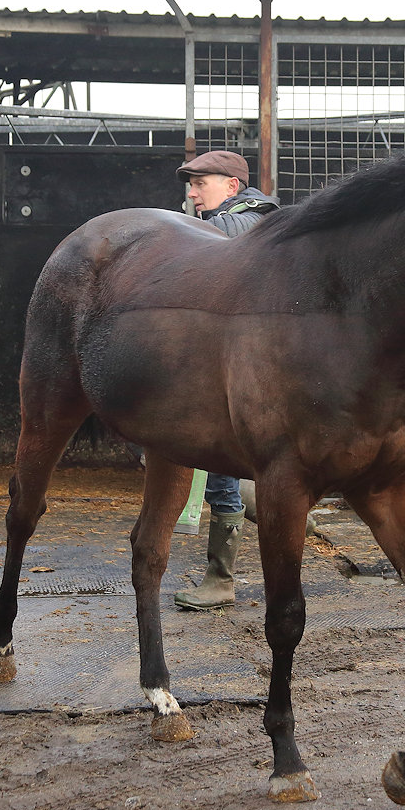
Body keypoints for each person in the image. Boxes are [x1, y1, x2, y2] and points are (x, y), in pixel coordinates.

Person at [170, 150, 280, 610]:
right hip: (249, 363)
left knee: (219, 466)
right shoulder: (252, 216)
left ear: (232, 186)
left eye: (201, 184)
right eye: (190, 186)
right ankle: (257, 502)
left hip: (250, 368)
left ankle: (221, 579)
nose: (193, 193)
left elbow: (215, 246)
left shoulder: (242, 220)